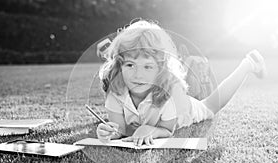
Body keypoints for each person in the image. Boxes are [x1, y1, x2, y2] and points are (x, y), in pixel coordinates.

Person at [96, 19, 267, 146]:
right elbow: (119, 130)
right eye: (130, 64)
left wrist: (152, 130)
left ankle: (247, 65)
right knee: (194, 87)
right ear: (120, 64)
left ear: (161, 68)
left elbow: (167, 130)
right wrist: (108, 132)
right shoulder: (116, 93)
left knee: (211, 105)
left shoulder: (168, 95)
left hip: (183, 109)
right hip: (163, 99)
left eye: (148, 66)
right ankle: (195, 71)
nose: (138, 75)